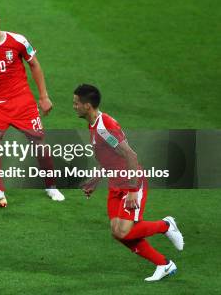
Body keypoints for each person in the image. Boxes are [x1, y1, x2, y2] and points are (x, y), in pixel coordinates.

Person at [73, 84, 184, 282]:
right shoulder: (94, 125)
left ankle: (166, 225)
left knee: (124, 231)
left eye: (76, 103)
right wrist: (96, 179)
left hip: (130, 182)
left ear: (87, 106)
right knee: (118, 233)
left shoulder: (104, 126)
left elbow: (130, 155)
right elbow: (110, 157)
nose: (74, 107)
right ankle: (164, 264)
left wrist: (133, 189)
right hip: (116, 184)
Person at [0, 3, 64, 206]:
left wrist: (43, 97)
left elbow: (34, 65)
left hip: (22, 102)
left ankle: (51, 186)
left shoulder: (18, 40)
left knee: (39, 145)